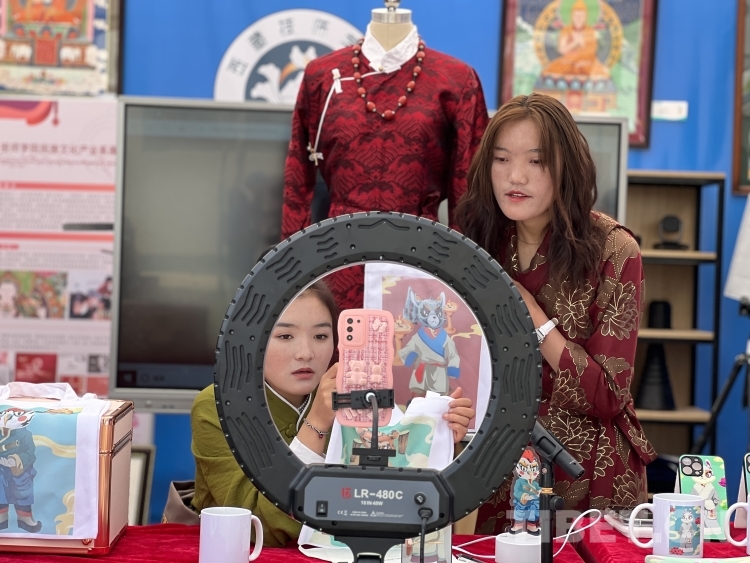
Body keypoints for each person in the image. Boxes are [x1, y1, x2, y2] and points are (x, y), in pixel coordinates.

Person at [455, 93, 656, 534]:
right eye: (502, 159)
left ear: (568, 167)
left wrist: (531, 316)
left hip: (591, 467)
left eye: (537, 161)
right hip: (502, 459)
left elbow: (608, 395)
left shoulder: (614, 248)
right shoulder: (477, 244)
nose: (516, 176)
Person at [191, 280, 476, 547]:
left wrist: (438, 435)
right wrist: (317, 422)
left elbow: (390, 493)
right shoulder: (218, 405)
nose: (305, 352)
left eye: (320, 336)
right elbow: (254, 527)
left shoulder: (354, 396)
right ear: (253, 340)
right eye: (285, 335)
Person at [281, 4, 489, 310]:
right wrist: (292, 263)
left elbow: (468, 189)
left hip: (421, 255)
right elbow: (298, 177)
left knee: (412, 336)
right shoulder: (321, 75)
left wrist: (463, 270)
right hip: (338, 255)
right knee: (340, 338)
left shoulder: (456, 79)